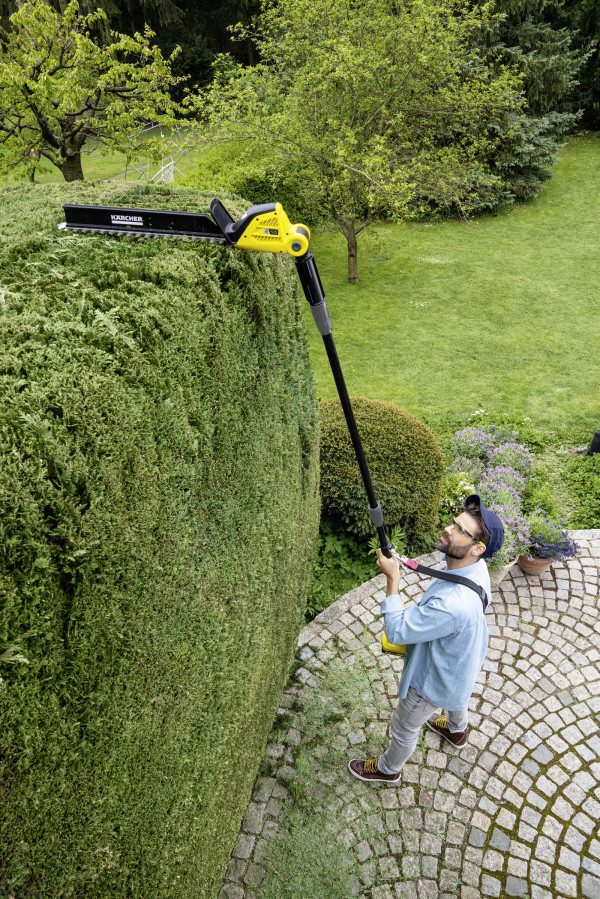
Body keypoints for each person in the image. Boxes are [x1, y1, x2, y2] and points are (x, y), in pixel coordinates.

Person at [348, 494, 504, 784]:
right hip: (463, 659)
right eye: (454, 522)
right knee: (460, 689)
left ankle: (388, 769)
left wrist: (393, 579)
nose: (448, 528)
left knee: (404, 725)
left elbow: (396, 631)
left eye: (460, 530)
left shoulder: (452, 606)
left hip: (433, 680)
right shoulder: (474, 567)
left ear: (477, 548)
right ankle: (457, 731)